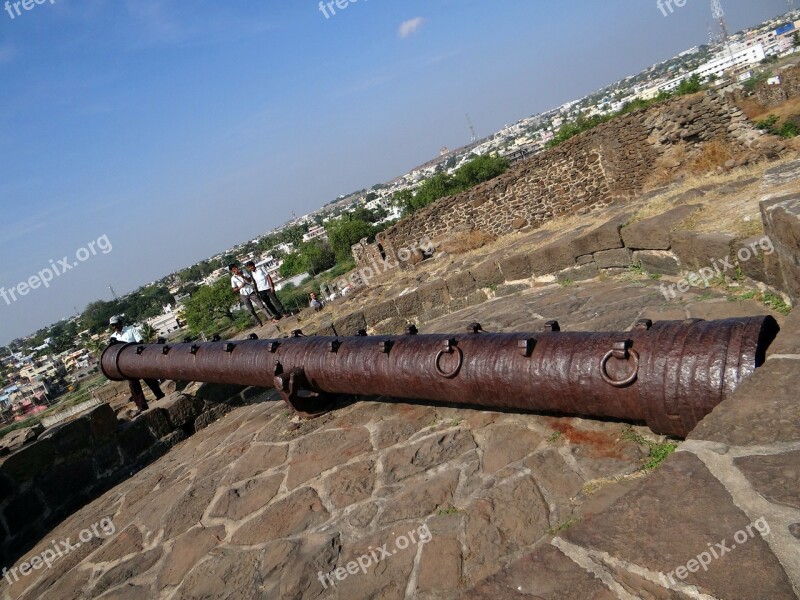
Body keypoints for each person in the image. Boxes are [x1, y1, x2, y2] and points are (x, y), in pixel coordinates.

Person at [109, 315, 165, 415]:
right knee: (133, 384)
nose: (115, 327)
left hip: (136, 358)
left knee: (148, 378)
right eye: (113, 325)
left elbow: (140, 341)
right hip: (126, 363)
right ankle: (141, 405)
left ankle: (159, 394)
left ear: (120, 323)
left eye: (116, 324)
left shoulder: (131, 330)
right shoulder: (113, 337)